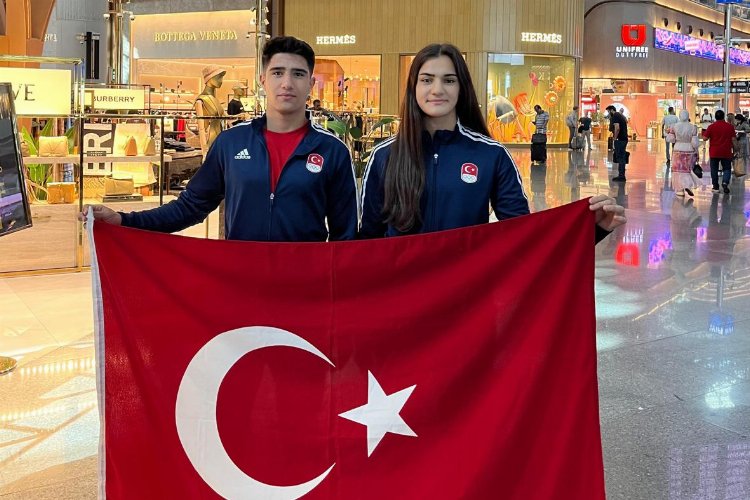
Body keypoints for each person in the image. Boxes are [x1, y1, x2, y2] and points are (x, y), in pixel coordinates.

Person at [80, 36, 358, 242]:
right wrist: (123, 220)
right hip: (241, 280)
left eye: (298, 74)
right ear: (262, 80)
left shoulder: (332, 151)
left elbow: (344, 235)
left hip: (304, 285)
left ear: (310, 84)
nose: (287, 83)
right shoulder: (231, 143)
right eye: (277, 72)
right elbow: (189, 207)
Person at [359, 43, 626, 240]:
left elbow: (523, 236)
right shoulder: (384, 156)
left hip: (469, 295)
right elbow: (367, 243)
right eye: (426, 80)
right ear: (413, 88)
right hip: (402, 295)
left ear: (461, 88)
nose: (437, 89)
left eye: (449, 80)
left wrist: (590, 230)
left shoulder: (491, 155)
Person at [702, 109, 735, 194]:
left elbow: (705, 138)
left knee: (714, 169)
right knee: (727, 169)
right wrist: (736, 149)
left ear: (715, 117)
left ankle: (716, 187)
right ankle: (725, 182)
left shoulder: (711, 126)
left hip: (714, 152)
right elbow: (733, 139)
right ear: (723, 117)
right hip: (726, 151)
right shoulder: (730, 127)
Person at [670, 110, 699, 198]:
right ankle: (687, 185)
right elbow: (695, 142)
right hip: (689, 149)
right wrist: (696, 151)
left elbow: (671, 139)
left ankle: (680, 190)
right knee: (687, 169)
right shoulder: (693, 127)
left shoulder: (674, 126)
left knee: (678, 170)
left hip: (678, 148)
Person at [606, 105, 629, 182]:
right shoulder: (619, 115)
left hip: (620, 139)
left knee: (621, 157)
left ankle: (621, 176)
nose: (608, 113)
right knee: (621, 157)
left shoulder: (615, 115)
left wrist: (615, 138)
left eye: (608, 111)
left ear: (612, 110)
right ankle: (621, 175)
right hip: (623, 139)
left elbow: (617, 128)